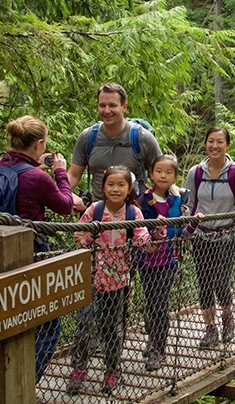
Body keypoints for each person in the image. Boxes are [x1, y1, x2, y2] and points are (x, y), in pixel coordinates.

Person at [0, 116, 80, 384]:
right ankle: (23, 386)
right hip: (28, 258)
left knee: (5, 324)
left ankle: (6, 384)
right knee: (48, 326)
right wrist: (60, 172)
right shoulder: (36, 177)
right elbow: (66, 205)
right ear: (39, 144)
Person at [67, 166, 150, 395]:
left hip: (118, 280)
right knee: (84, 323)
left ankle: (112, 370)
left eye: (121, 185)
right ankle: (79, 368)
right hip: (92, 277)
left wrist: (153, 237)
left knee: (111, 328)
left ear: (129, 189)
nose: (115, 189)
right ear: (103, 187)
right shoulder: (95, 210)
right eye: (110, 184)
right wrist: (89, 236)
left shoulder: (133, 214)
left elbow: (142, 236)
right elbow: (78, 235)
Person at [185, 126, 235, 347]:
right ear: (206, 143)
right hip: (202, 236)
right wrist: (188, 224)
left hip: (227, 235)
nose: (215, 146)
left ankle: (228, 318)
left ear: (227, 145)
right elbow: (189, 203)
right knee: (204, 284)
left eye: (220, 141)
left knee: (222, 282)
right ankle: (210, 329)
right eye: (211, 141)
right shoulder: (195, 172)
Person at [68, 83, 163, 206]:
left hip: (135, 217)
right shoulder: (88, 137)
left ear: (124, 106)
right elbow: (74, 175)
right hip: (98, 216)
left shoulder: (142, 138)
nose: (107, 111)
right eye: (102, 105)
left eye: (112, 105)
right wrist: (58, 195)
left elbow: (160, 177)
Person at [136, 155, 188, 371]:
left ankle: (159, 349)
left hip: (168, 260)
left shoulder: (177, 200)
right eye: (159, 171)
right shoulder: (141, 201)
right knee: (151, 303)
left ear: (175, 176)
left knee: (160, 304)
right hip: (146, 260)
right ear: (151, 174)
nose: (163, 175)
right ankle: (153, 338)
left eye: (168, 172)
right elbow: (136, 228)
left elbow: (184, 227)